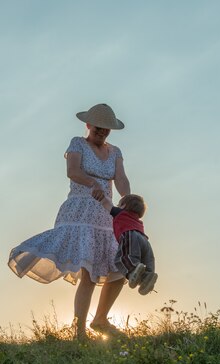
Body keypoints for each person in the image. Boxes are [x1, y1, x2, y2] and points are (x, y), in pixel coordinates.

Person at [8, 103, 131, 339]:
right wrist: (93, 184)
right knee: (88, 272)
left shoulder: (115, 152)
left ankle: (101, 320)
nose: (102, 132)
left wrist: (127, 197)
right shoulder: (78, 143)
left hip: (105, 216)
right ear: (88, 125)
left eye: (106, 129)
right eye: (98, 128)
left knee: (119, 268)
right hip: (79, 212)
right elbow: (73, 171)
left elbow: (121, 178)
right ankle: (80, 332)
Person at [92, 192, 158, 295]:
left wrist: (100, 196)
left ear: (124, 206)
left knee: (123, 258)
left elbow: (106, 204)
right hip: (145, 240)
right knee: (148, 259)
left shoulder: (120, 213)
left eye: (119, 204)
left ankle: (132, 270)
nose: (117, 206)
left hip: (130, 236)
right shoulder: (138, 220)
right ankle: (147, 277)